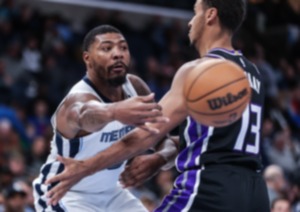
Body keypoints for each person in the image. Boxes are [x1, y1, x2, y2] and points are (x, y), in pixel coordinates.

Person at [46, 0, 270, 211]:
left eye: (196, 12)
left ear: (210, 15)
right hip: (256, 192)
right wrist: (158, 159)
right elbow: (211, 139)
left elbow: (148, 134)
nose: (191, 21)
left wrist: (86, 168)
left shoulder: (199, 69)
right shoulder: (252, 72)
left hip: (212, 186)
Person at [32, 25, 168, 211]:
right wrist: (114, 111)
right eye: (107, 48)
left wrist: (159, 158)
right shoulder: (77, 99)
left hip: (113, 193)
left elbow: (163, 138)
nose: (118, 53)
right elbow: (85, 115)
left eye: (123, 47)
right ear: (87, 58)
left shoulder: (135, 87)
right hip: (66, 191)